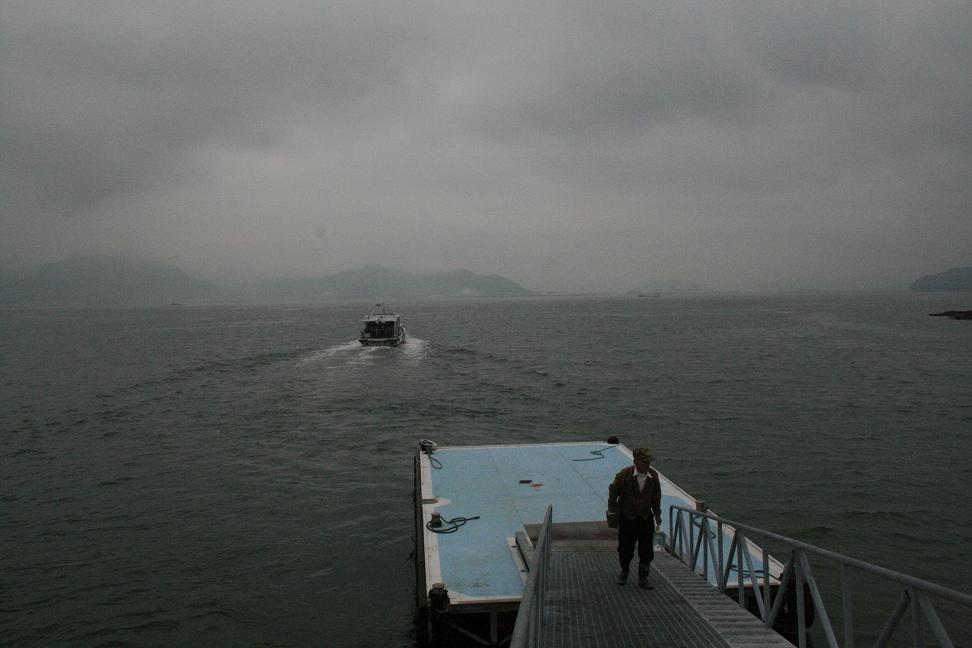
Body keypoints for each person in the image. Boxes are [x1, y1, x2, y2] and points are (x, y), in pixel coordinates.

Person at [607, 447, 662, 589]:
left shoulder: (654, 476)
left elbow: (656, 496)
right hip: (627, 518)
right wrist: (612, 510)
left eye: (649, 462)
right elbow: (613, 491)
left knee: (647, 550)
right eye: (645, 462)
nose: (648, 464)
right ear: (636, 462)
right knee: (625, 548)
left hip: (645, 518)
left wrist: (657, 514)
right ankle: (624, 571)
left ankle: (643, 578)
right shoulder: (624, 475)